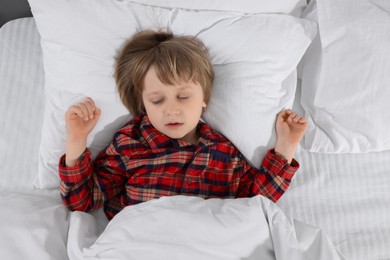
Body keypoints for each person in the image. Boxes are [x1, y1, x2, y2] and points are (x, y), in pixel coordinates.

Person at [59, 30, 308, 220]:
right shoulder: (128, 144)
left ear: (204, 100)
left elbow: (258, 204)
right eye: (157, 100)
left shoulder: (224, 153)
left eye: (183, 96)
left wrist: (285, 147)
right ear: (144, 104)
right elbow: (81, 202)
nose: (171, 109)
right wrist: (77, 140)